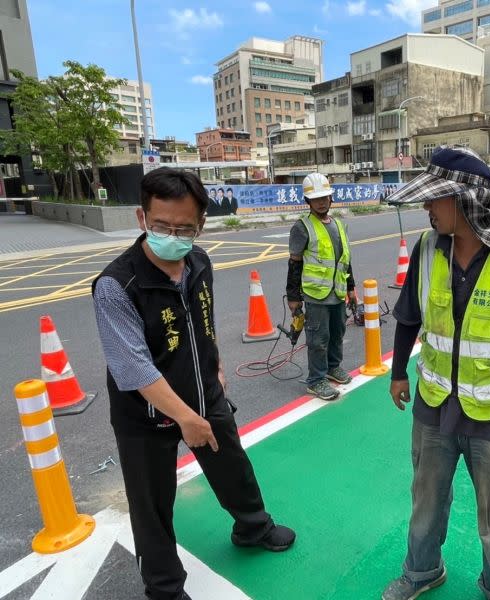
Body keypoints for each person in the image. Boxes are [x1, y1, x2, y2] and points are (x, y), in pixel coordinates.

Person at [92, 168, 295, 600]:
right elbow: (134, 368)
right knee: (152, 507)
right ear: (142, 218)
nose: (172, 235)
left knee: (233, 467)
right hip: (144, 416)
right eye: (161, 225)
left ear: (200, 225)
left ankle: (253, 527)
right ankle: (164, 588)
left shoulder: (199, 261)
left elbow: (203, 324)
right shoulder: (116, 286)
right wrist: (185, 418)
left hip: (205, 394)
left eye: (184, 228)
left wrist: (215, 366)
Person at [382, 146, 490, 600]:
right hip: (434, 408)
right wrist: (399, 372)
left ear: (465, 200)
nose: (426, 208)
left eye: (433, 199)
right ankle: (422, 572)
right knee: (425, 503)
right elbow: (409, 316)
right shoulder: (426, 248)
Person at [286, 172, 357, 401]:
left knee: (338, 332)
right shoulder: (302, 227)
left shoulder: (339, 225)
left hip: (336, 292)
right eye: (316, 198)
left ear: (331, 197)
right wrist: (293, 297)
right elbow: (294, 264)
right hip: (315, 295)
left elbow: (345, 260)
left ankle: (333, 367)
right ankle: (316, 380)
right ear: (308, 201)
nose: (321, 201)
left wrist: (351, 288)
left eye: (325, 196)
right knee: (318, 338)